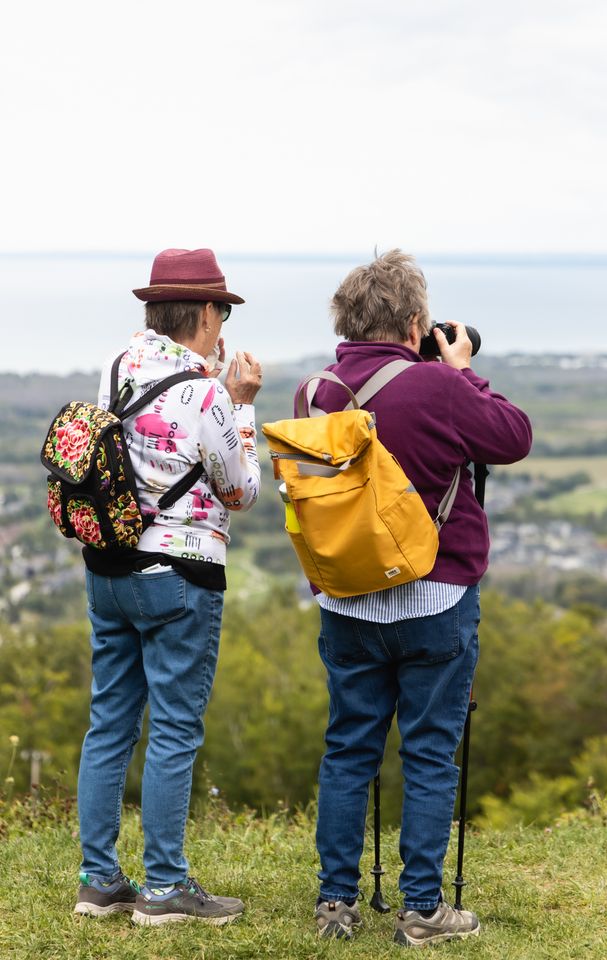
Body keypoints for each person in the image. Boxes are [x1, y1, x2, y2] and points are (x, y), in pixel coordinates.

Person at [306, 250, 532, 945]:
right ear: (415, 323)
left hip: (347, 601)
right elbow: (512, 436)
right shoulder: (437, 387)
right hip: (436, 600)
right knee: (430, 753)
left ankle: (335, 903)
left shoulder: (316, 393)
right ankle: (424, 910)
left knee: (349, 749)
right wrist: (460, 370)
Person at [73, 248, 262, 926]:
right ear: (208, 312)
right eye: (222, 313)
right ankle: (163, 890)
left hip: (109, 566)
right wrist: (239, 406)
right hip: (180, 577)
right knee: (174, 728)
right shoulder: (209, 393)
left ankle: (98, 881)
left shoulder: (118, 367)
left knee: (110, 722)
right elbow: (240, 490)